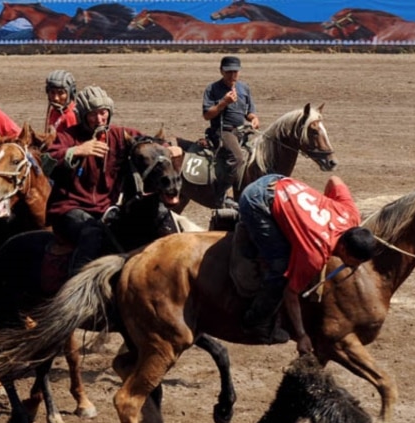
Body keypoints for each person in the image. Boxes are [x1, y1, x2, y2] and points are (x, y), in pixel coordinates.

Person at [45, 85, 180, 274]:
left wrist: (166, 148)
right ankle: (77, 284)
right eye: (93, 114)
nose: (100, 119)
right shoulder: (68, 136)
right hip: (70, 208)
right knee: (92, 234)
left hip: (107, 209)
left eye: (103, 112)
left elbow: (146, 142)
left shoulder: (118, 135)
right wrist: (76, 151)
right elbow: (46, 162)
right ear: (83, 115)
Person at [238, 173, 376, 348]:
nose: (356, 265)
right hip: (256, 200)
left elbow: (334, 179)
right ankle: (256, 323)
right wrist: (302, 335)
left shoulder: (351, 214)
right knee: (280, 268)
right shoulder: (314, 255)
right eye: (354, 260)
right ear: (343, 249)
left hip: (277, 180)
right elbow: (291, 293)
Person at [202, 55, 259, 208]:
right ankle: (221, 194)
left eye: (235, 72)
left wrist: (254, 118)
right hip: (223, 131)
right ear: (221, 71)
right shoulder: (213, 89)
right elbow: (207, 115)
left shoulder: (244, 88)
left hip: (242, 131)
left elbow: (249, 111)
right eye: (228, 72)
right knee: (237, 157)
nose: (232, 75)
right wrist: (223, 103)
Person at [44, 69, 78, 135]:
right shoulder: (54, 111)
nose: (56, 98)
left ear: (70, 93)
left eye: (60, 93)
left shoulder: (71, 116)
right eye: (52, 92)